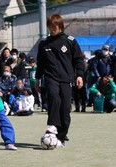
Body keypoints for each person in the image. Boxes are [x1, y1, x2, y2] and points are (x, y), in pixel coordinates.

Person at [35, 14, 85, 147]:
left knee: (65, 109)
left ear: (60, 26)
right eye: (49, 27)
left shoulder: (70, 41)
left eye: (54, 27)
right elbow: (40, 63)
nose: (52, 29)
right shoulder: (44, 44)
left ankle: (61, 137)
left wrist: (79, 75)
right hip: (51, 77)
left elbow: (78, 59)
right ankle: (52, 125)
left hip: (67, 79)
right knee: (53, 97)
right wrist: (38, 79)